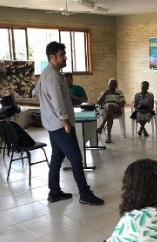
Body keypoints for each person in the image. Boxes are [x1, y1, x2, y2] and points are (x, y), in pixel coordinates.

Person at [35, 41, 104, 206]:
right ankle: (84, 194)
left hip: (52, 123)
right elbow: (58, 101)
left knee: (57, 157)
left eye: (64, 54)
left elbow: (37, 91)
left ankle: (54, 192)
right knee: (76, 157)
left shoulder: (48, 73)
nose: (65, 57)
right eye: (61, 55)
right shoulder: (52, 76)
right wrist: (65, 122)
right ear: (52, 57)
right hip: (60, 125)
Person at [97, 78, 126, 143]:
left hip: (116, 110)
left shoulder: (119, 92)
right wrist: (105, 93)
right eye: (111, 84)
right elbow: (99, 103)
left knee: (110, 106)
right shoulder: (104, 92)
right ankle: (109, 135)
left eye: (114, 84)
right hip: (106, 111)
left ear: (116, 85)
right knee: (110, 113)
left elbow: (123, 102)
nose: (113, 85)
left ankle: (102, 126)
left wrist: (119, 107)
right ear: (108, 85)